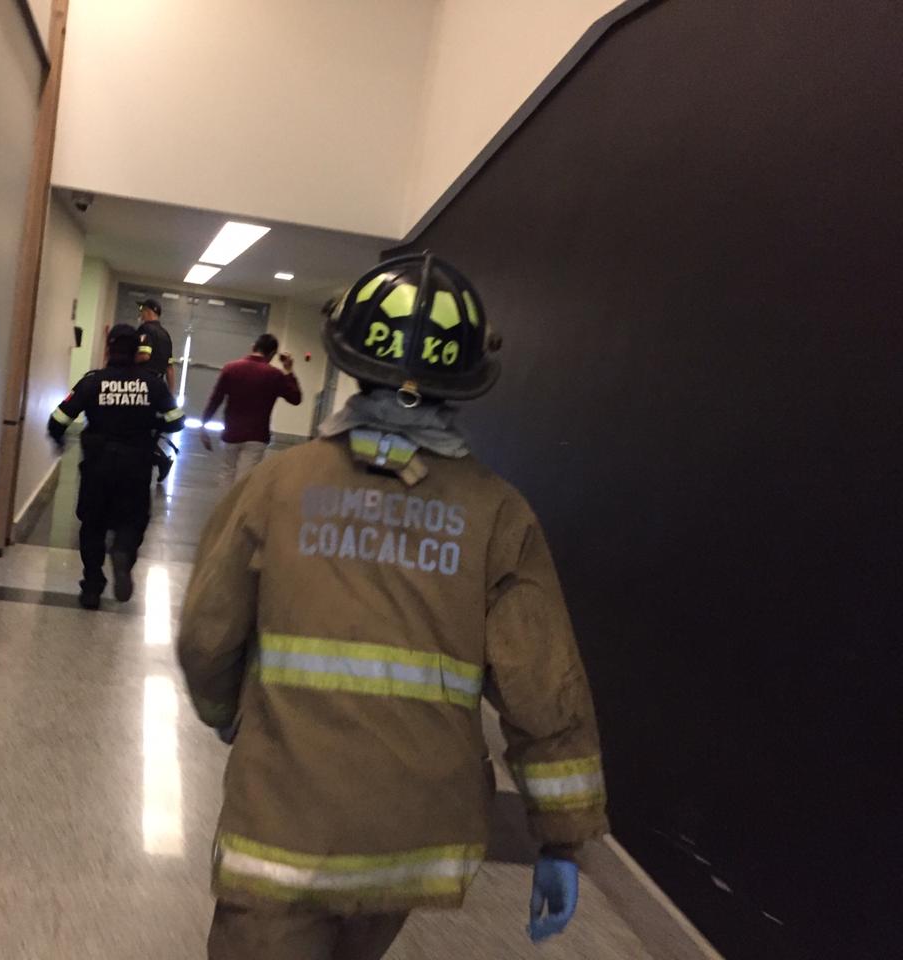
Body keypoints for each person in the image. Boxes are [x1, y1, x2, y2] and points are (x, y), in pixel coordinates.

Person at [177, 254, 608, 959]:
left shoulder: (276, 486)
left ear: (349, 359)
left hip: (285, 821)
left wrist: (226, 715)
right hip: (413, 839)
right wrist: (562, 837)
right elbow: (544, 686)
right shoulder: (499, 514)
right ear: (467, 377)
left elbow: (206, 635)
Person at [49, 323, 185, 610]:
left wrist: (59, 442)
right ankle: (122, 551)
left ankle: (92, 587)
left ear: (109, 348)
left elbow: (58, 419)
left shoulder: (92, 382)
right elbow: (177, 420)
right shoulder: (152, 384)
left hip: (98, 466)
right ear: (137, 351)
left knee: (93, 525)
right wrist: (152, 423)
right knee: (132, 521)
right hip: (136, 466)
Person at [199, 333, 301, 484]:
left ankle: (227, 500)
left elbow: (215, 399)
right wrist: (289, 370)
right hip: (257, 436)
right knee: (244, 480)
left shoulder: (230, 369)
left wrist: (203, 425)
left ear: (253, 347)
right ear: (273, 353)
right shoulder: (275, 375)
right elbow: (295, 398)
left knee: (227, 475)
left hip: (231, 433)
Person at [134, 297, 179, 482]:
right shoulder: (166, 335)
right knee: (144, 429)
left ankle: (160, 460)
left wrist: (125, 361)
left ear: (149, 311)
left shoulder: (146, 329)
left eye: (142, 310)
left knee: (134, 429)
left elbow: (144, 355)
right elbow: (169, 368)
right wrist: (170, 394)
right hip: (157, 387)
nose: (141, 314)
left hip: (142, 385)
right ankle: (160, 460)